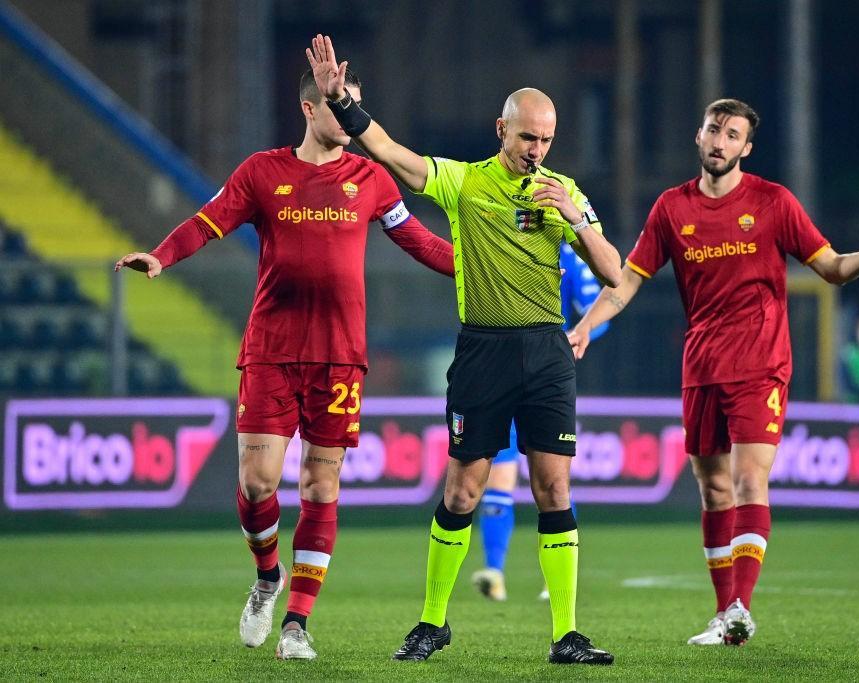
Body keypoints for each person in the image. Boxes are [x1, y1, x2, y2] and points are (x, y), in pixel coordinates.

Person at [114, 68, 455, 661]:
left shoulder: (370, 178)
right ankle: (267, 576)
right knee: (257, 482)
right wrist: (162, 256)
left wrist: (487, 268)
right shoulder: (262, 172)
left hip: (340, 356)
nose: (348, 115)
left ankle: (297, 624)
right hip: (272, 348)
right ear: (307, 107)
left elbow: (421, 241)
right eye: (337, 104)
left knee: (322, 485)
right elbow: (206, 221)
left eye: (355, 104)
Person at [568, 98, 859, 646]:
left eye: (732, 135)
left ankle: (742, 603)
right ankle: (726, 616)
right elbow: (626, 282)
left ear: (746, 148)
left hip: (761, 362)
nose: (721, 141)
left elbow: (830, 268)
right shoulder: (670, 208)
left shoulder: (772, 202)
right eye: (714, 130)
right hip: (702, 364)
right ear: (699, 136)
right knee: (712, 489)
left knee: (747, 480)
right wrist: (585, 327)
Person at [306, 33, 622, 665]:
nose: (537, 150)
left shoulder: (564, 193)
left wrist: (577, 219)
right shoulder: (463, 184)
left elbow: (615, 272)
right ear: (500, 128)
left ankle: (566, 634)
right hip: (482, 351)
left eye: (547, 140)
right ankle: (432, 622)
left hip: (546, 350)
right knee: (462, 491)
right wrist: (341, 101)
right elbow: (390, 152)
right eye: (528, 136)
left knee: (553, 490)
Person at [470, 242, 610, 603]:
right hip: (498, 371)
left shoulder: (567, 252)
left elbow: (601, 310)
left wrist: (578, 334)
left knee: (552, 480)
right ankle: (495, 572)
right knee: (498, 476)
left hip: (545, 376)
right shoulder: (496, 239)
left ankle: (556, 579)